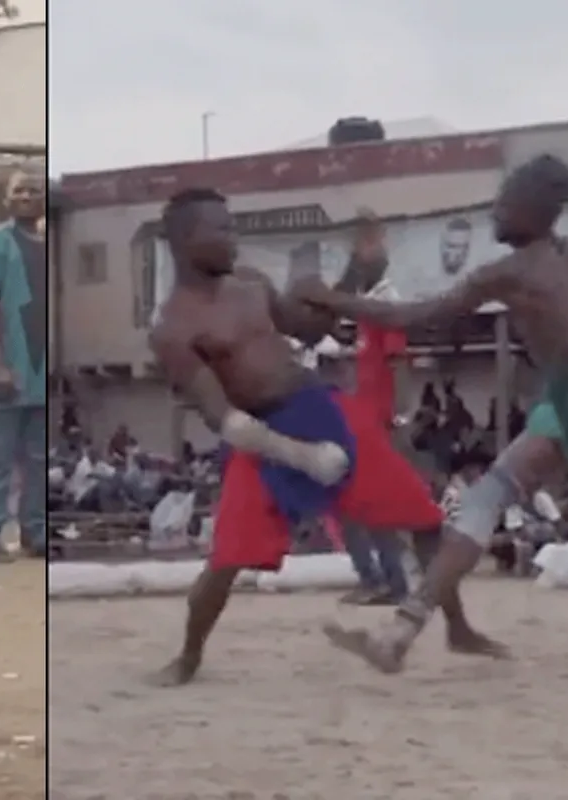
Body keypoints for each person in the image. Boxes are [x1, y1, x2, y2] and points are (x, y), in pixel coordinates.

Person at [299, 153, 568, 673]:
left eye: (504, 204)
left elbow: (413, 314)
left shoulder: (508, 273)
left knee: (489, 495)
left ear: (534, 210)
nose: (495, 212)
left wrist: (332, 299)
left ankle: (401, 632)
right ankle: (411, 630)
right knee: (499, 494)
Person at [145, 187, 448, 686]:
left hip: (317, 406)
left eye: (232, 225)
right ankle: (188, 657)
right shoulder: (172, 328)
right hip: (261, 436)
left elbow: (308, 331)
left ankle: (449, 626)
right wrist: (300, 455)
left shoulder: (252, 283)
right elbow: (226, 420)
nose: (233, 237)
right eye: (220, 229)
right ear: (183, 240)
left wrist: (354, 274)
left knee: (423, 516)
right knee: (224, 563)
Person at [0, 169, 48, 561]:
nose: (27, 196)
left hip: (42, 371)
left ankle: (35, 533)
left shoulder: (47, 246)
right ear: (7, 198)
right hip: (12, 367)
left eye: (34, 190)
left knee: (38, 459)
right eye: (19, 190)